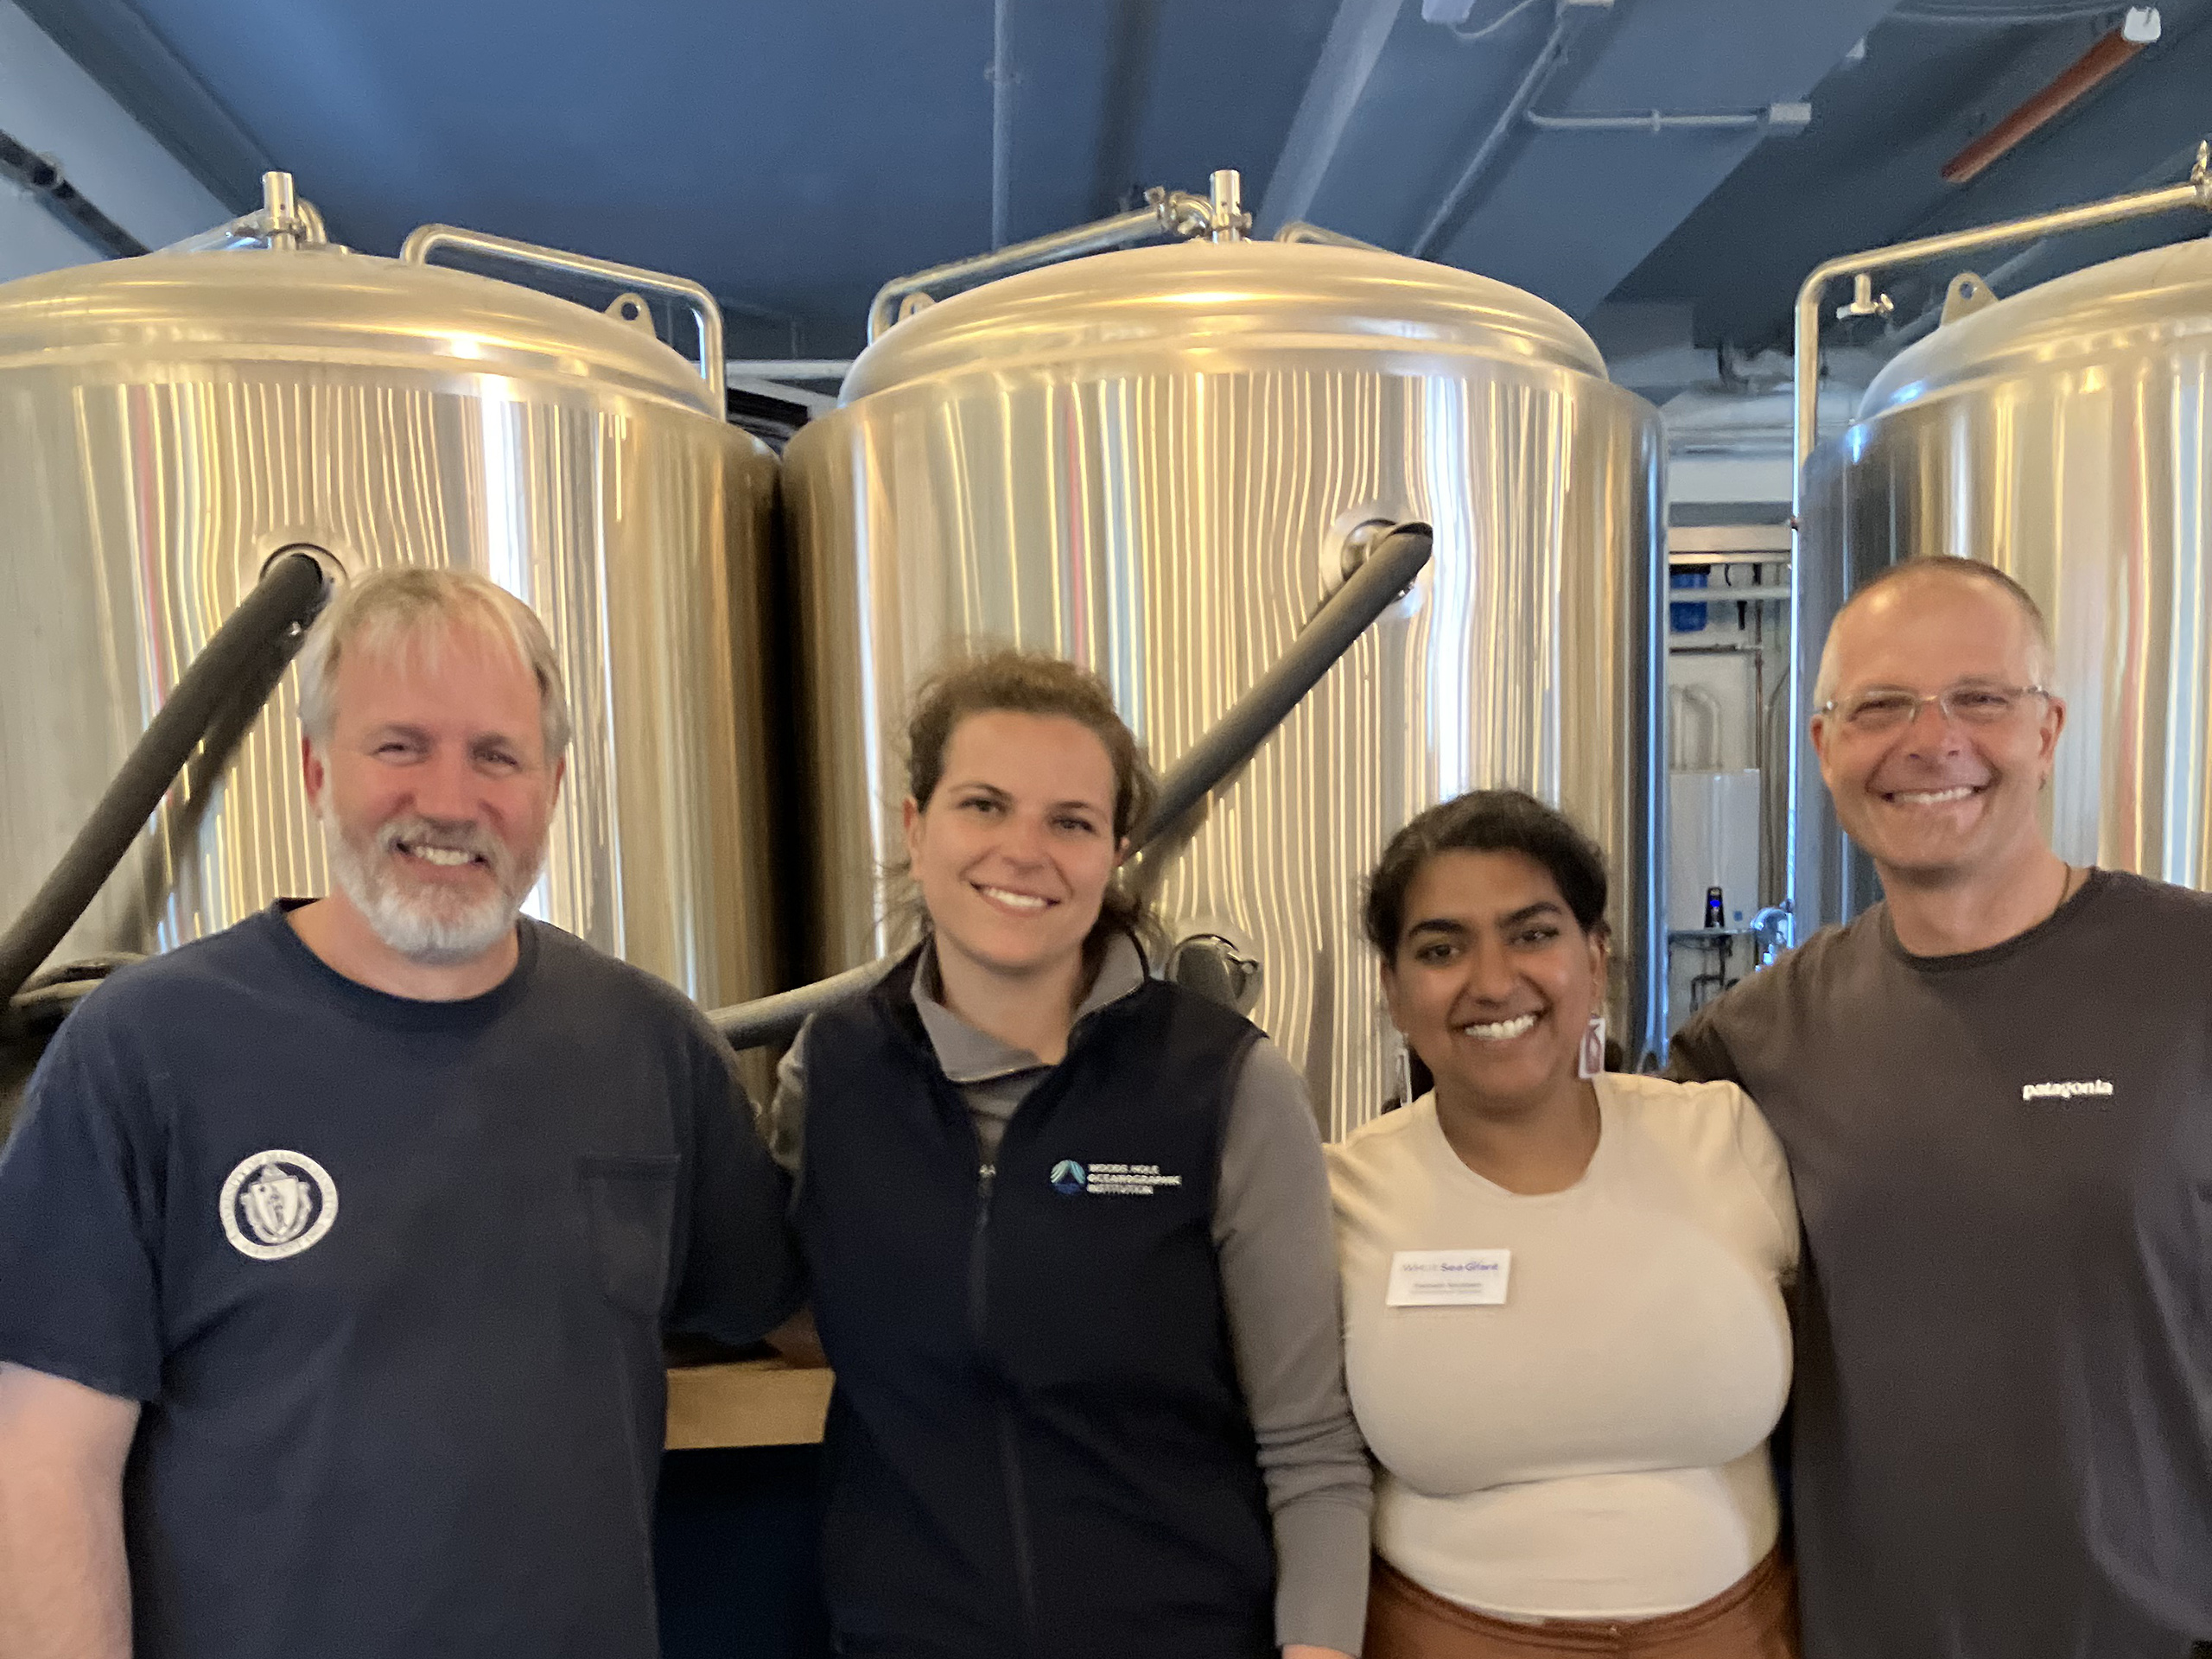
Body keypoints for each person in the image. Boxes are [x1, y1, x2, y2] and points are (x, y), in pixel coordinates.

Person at [0, 567, 799, 1659]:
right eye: (400, 747)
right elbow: (44, 1465)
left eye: (496, 755)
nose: (450, 801)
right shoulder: (145, 1054)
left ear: (554, 785)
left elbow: (798, 1317)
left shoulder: (650, 1049)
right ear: (316, 771)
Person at [765, 648, 1370, 1659]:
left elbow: (1309, 1449)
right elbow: (796, 1302)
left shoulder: (1226, 1084)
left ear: (1118, 851)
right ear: (917, 831)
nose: (1024, 850)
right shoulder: (829, 1074)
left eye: (1071, 822)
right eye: (984, 805)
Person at [1669, 556, 2212, 1659]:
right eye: (1879, 706)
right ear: (1823, 749)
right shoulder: (1753, 1043)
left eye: (1980, 698)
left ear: (2048, 729)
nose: (1931, 741)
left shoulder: (2192, 974)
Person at [1331, 789, 1800, 1659]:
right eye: (1441, 948)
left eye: (1532, 933)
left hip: (1735, 1635)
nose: (1493, 980)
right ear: (1394, 992)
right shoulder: (1340, 1195)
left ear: (1594, 957)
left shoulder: (1724, 1137)